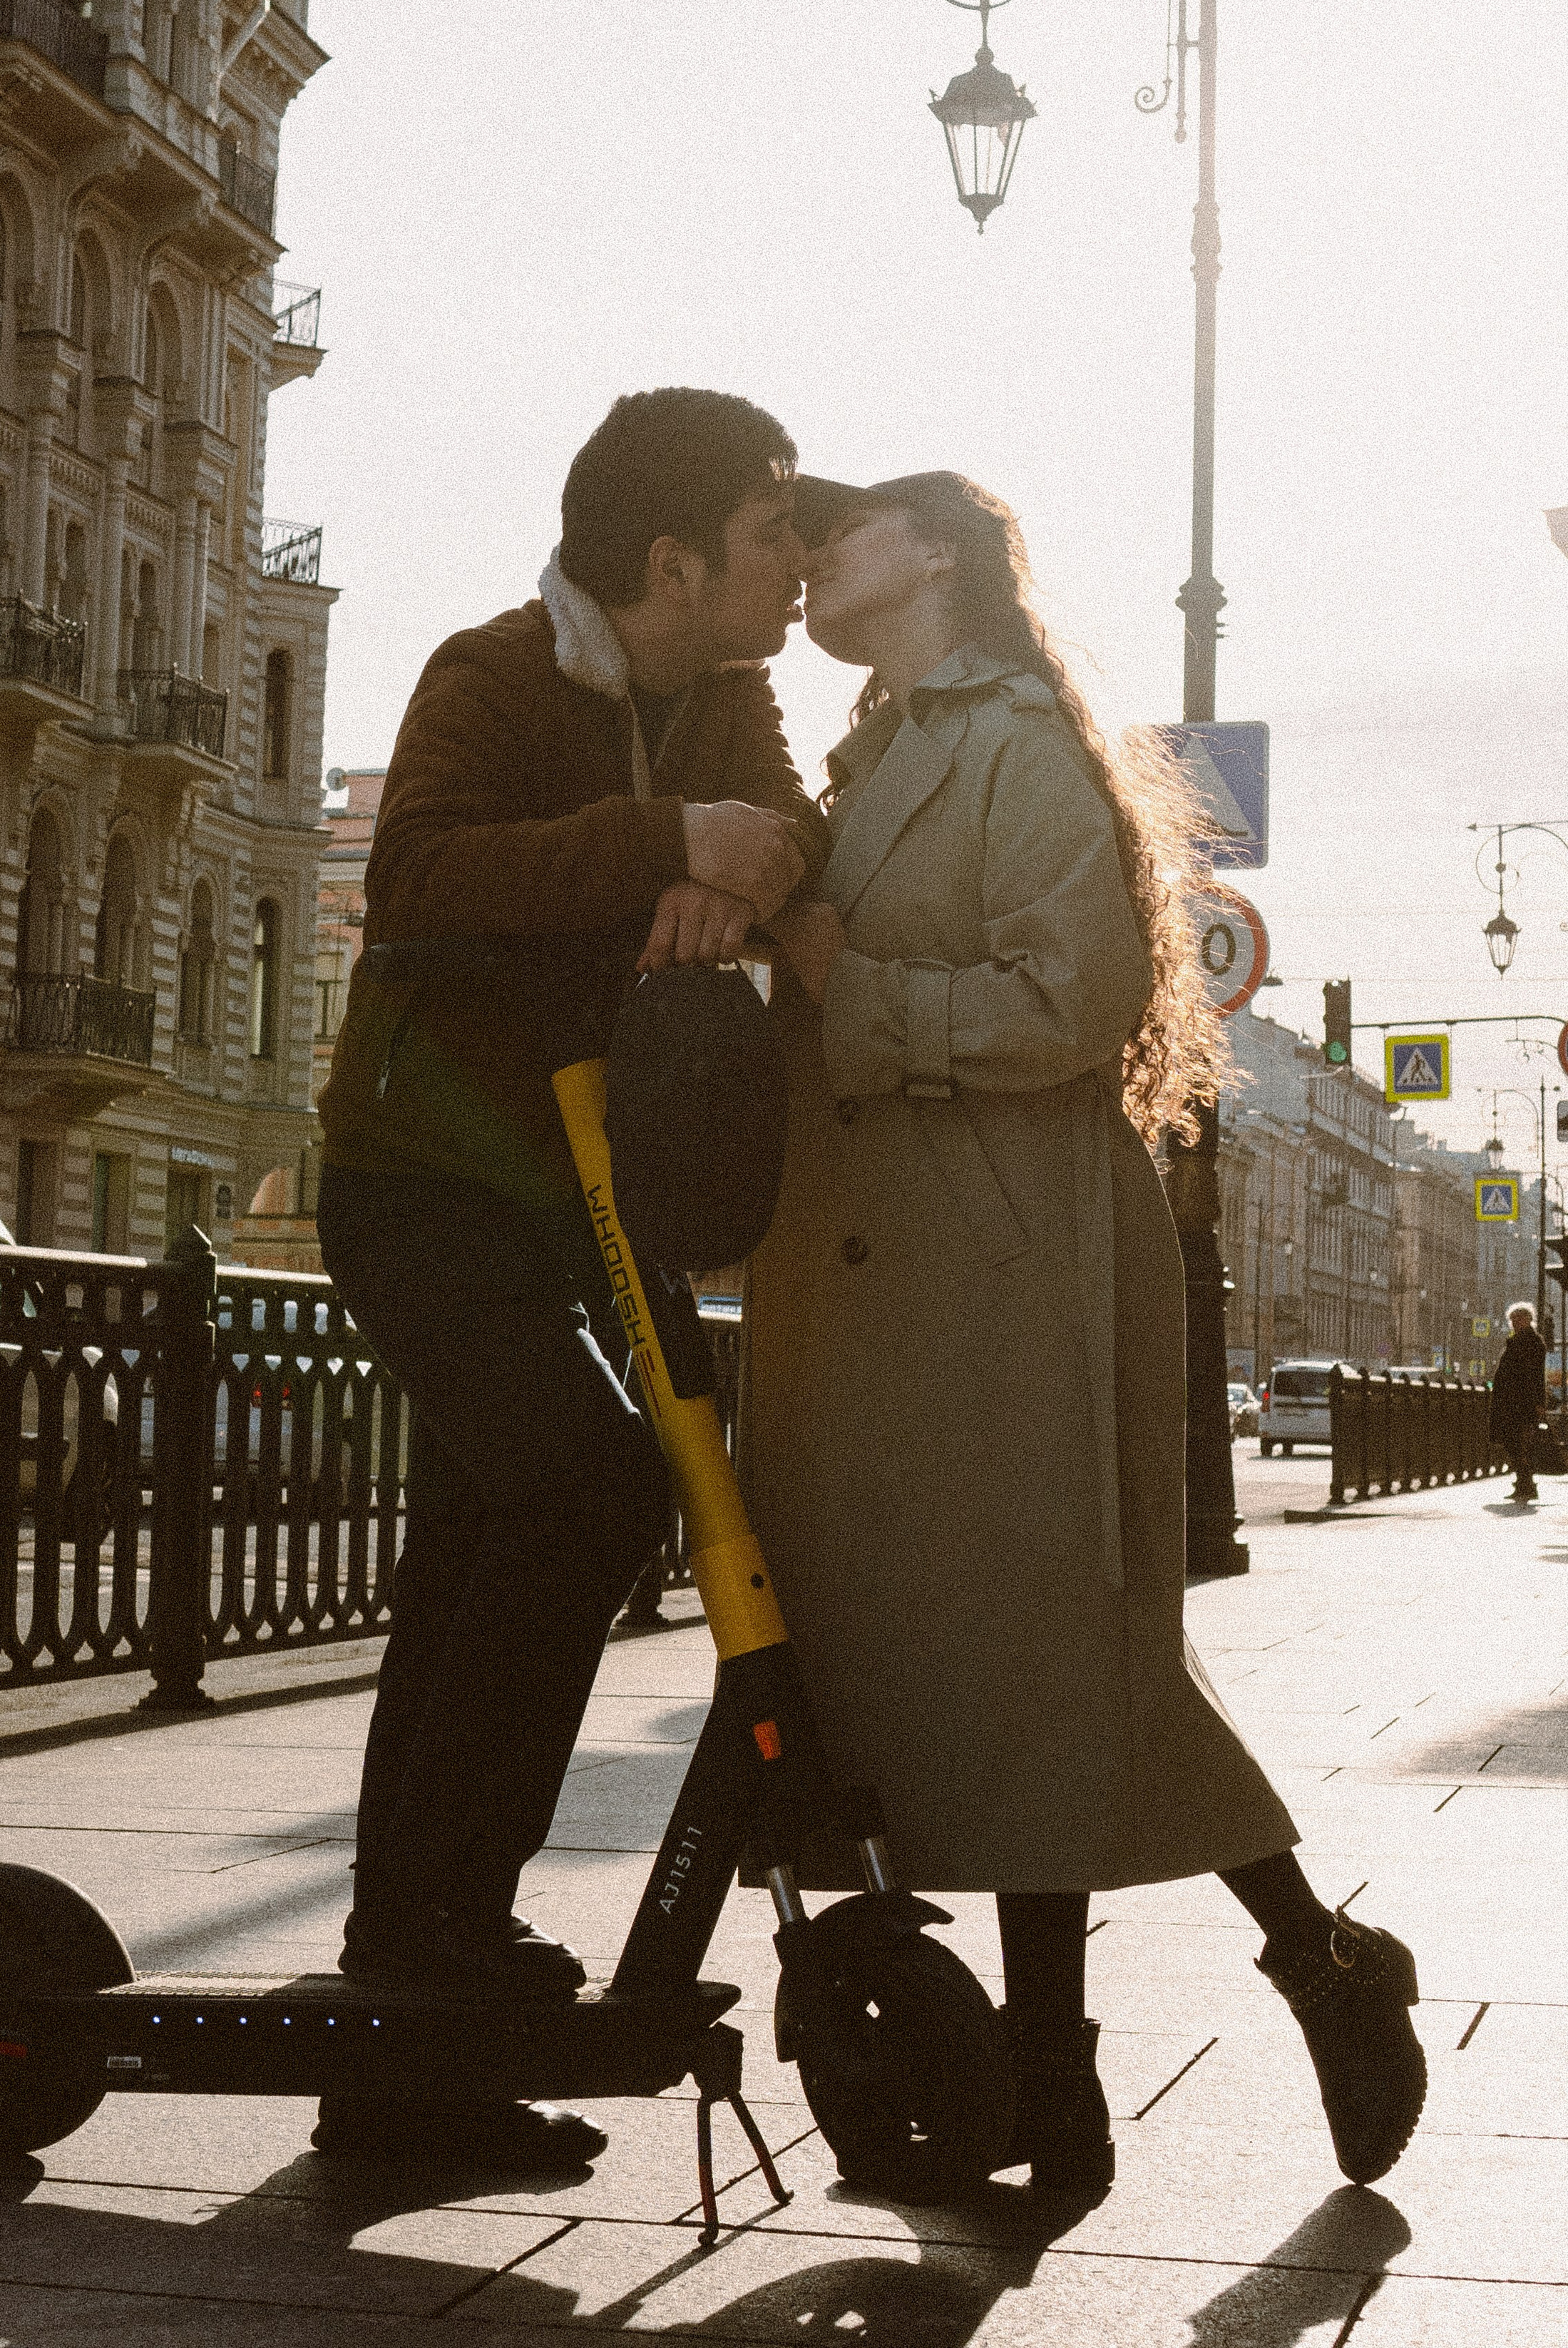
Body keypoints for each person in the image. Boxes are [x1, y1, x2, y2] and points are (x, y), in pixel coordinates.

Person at [748, 468, 1428, 2198]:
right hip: (889, 1271)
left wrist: (847, 984)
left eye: (851, 529)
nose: (817, 555)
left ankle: (1097, 2062)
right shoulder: (875, 743)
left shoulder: (1013, 739)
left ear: (943, 558)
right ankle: (1264, 1991)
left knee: (1044, 1666)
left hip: (1005, 1258)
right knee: (989, 1678)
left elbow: (1077, 1001)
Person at [311, 387, 827, 2163]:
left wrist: (741, 878)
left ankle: (401, 2035)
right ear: (670, 559)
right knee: (586, 1489)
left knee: (473, 1553)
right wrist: (673, 844)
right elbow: (418, 881)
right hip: (417, 1184)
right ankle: (434, 1943)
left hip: (563, 1204)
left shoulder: (727, 692)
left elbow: (786, 827)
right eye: (774, 526)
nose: (802, 556)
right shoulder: (489, 671)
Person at [1492, 1300, 1547, 1504]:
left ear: (1528, 1320)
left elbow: (1535, 1375)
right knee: (1515, 1443)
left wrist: (1538, 1402)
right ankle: (1524, 1483)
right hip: (1513, 1403)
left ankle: (1526, 1484)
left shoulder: (1531, 1342)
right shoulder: (1519, 1341)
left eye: (1519, 1319)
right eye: (1513, 1320)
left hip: (1522, 1403)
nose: (1515, 1323)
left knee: (1520, 1444)